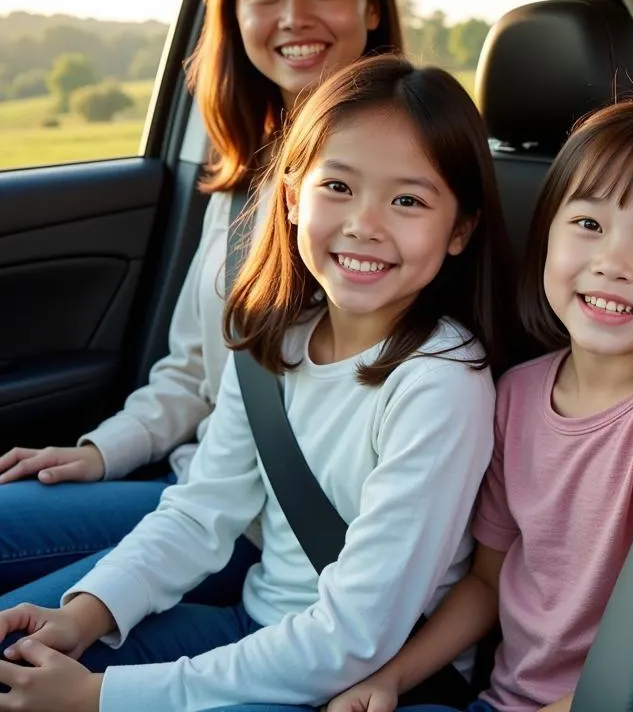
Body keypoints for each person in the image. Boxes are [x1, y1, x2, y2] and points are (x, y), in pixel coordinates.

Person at [0, 55, 516, 712]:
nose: (365, 223)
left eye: (408, 200)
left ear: (460, 230)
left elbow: (353, 637)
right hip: (254, 630)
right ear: (294, 196)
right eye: (339, 187)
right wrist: (86, 614)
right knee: (19, 662)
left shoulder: (439, 385)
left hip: (354, 680)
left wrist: (103, 695)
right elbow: (200, 511)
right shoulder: (274, 339)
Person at [0, 0, 403, 601]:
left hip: (279, 539)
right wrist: (100, 452)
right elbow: (193, 372)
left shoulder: (405, 193)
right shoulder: (248, 177)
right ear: (235, 15)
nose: (294, 17)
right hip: (196, 494)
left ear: (372, 7)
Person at [327, 95, 633, 712]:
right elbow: (488, 581)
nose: (613, 262)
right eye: (589, 225)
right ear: (546, 233)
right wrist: (390, 678)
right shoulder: (515, 395)